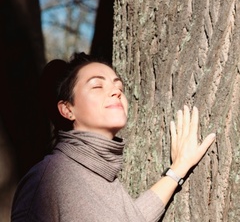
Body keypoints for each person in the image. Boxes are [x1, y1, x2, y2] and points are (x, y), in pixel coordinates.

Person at [11, 52, 216, 222]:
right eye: (97, 86)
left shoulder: (104, 177)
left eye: (119, 87)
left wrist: (179, 167)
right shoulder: (45, 180)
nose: (115, 92)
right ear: (67, 109)